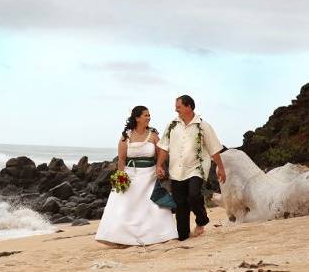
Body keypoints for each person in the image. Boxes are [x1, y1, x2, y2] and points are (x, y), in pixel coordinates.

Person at [95, 106, 178, 246]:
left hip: (149, 176)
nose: (149, 117)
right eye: (145, 115)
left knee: (154, 207)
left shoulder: (153, 135)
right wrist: (121, 176)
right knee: (125, 206)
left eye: (149, 115)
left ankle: (161, 236)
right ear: (137, 118)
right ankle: (121, 238)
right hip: (131, 175)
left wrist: (159, 167)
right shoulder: (126, 136)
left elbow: (161, 154)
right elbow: (121, 159)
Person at [156, 95, 226, 241]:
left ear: (188, 107)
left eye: (179, 106)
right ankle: (183, 235)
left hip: (196, 168)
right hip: (176, 170)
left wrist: (220, 168)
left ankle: (201, 220)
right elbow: (163, 147)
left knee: (194, 195)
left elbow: (214, 149)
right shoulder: (172, 125)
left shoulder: (203, 126)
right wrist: (159, 165)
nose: (176, 109)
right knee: (180, 204)